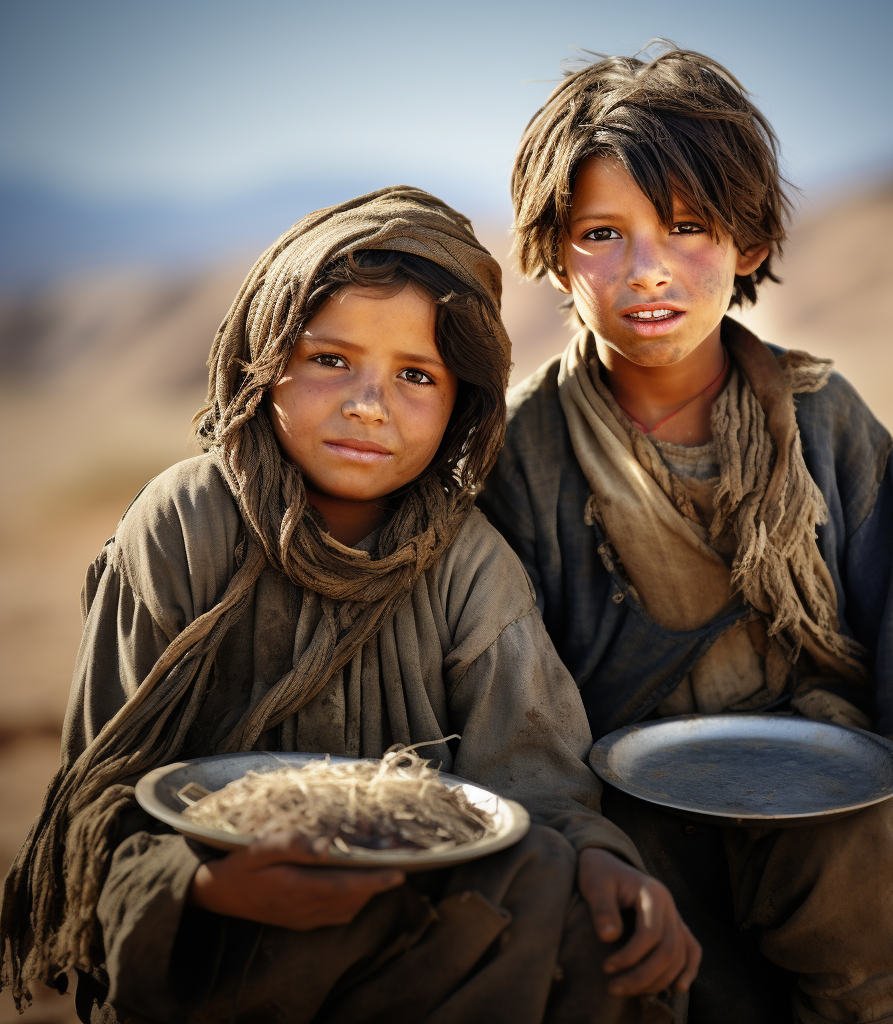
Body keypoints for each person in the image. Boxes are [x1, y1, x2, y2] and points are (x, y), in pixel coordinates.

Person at [0, 187, 702, 1024]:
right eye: (332, 359)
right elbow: (98, 797)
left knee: (569, 895)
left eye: (415, 375)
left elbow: (538, 787)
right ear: (264, 356)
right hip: (219, 939)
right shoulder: (184, 523)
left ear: (462, 407)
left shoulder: (467, 563)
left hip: (423, 936)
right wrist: (210, 884)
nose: (369, 404)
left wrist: (599, 855)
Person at [477, 46, 893, 1024]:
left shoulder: (824, 420)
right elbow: (506, 700)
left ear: (749, 242)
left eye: (686, 225)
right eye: (602, 232)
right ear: (551, 250)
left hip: (842, 836)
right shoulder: (522, 450)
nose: (646, 269)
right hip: (621, 834)